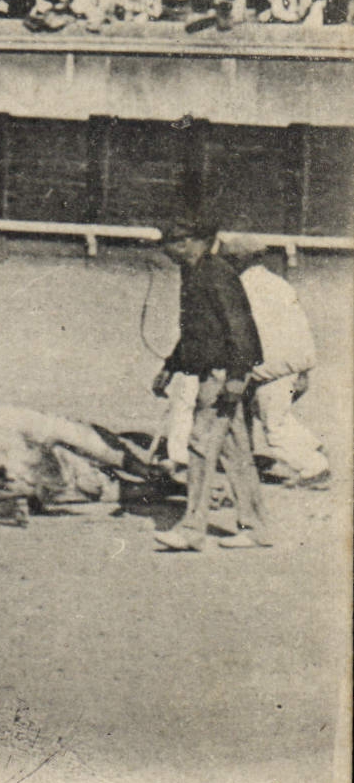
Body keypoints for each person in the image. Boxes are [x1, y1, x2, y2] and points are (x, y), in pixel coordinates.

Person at [150, 217, 272, 551]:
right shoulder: (193, 273)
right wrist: (171, 366)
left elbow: (242, 330)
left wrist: (236, 378)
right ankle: (256, 526)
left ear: (189, 242)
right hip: (214, 374)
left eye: (171, 243)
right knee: (236, 454)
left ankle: (192, 528)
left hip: (221, 375)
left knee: (200, 446)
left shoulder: (217, 274)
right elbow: (196, 330)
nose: (167, 251)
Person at [219, 234, 330, 487]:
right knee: (273, 415)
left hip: (271, 367)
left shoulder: (242, 288)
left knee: (274, 425)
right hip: (289, 365)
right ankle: (312, 447)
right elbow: (300, 330)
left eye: (228, 259)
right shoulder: (277, 283)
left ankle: (314, 468)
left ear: (239, 260)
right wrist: (303, 370)